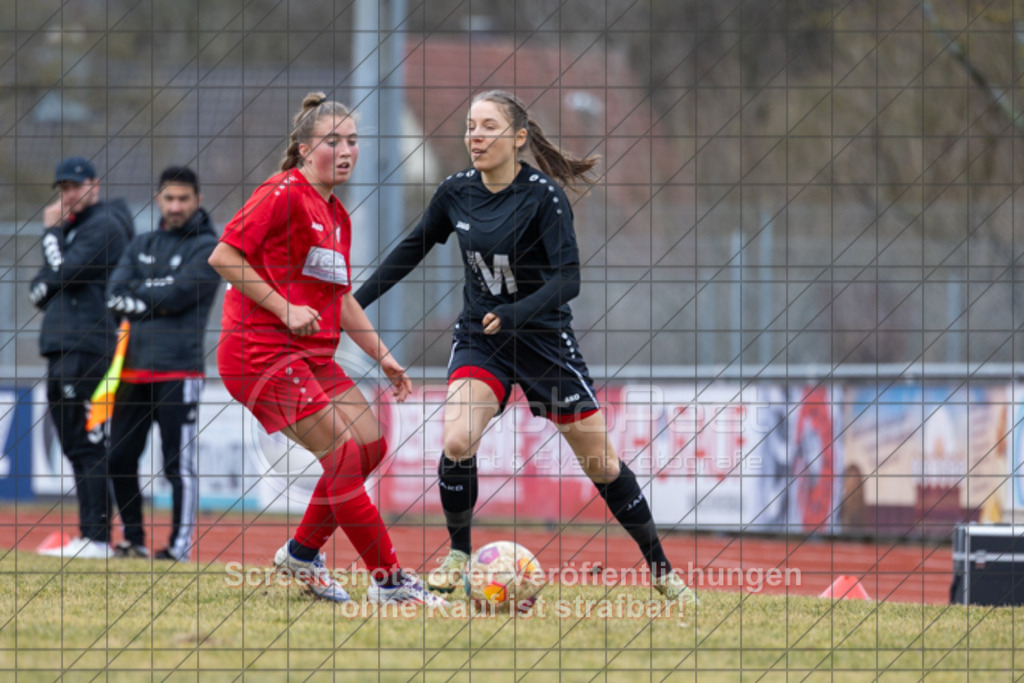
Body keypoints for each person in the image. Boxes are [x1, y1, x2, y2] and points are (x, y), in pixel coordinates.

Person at [354, 90, 697, 605]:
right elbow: (410, 250)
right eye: (471, 126)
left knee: (601, 464)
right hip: (480, 341)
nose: (475, 136)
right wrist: (351, 305)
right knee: (456, 441)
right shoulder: (455, 192)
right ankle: (459, 556)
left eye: (488, 126)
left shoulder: (543, 197)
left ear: (517, 138)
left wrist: (514, 313)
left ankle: (662, 571)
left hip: (543, 343)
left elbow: (569, 281)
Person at [208, 92, 446, 605]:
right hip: (259, 353)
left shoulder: (336, 213)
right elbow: (224, 255)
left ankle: (300, 554)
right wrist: (284, 308)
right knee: (341, 456)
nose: (346, 150)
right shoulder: (284, 191)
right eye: (332, 141)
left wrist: (381, 354)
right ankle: (390, 583)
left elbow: (339, 298)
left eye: (353, 141)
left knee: (370, 445)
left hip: (309, 357)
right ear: (301, 149)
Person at [106, 166, 221, 561]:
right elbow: (115, 293)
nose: (175, 206)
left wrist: (142, 295)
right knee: (118, 456)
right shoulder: (141, 243)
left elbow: (181, 294)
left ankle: (178, 547)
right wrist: (154, 293)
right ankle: (134, 539)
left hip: (179, 371)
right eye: (169, 198)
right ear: (158, 199)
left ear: (197, 201)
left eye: (183, 199)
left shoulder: (209, 247)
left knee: (177, 466)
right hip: (133, 372)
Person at [31, 156, 134, 559]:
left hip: (86, 347)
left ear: (95, 184)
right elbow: (39, 289)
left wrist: (51, 234)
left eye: (74, 186)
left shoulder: (105, 225)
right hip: (62, 347)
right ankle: (89, 535)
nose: (67, 195)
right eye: (62, 189)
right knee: (75, 444)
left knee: (88, 445)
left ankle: (96, 537)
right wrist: (56, 261)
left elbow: (60, 275)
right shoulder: (75, 229)